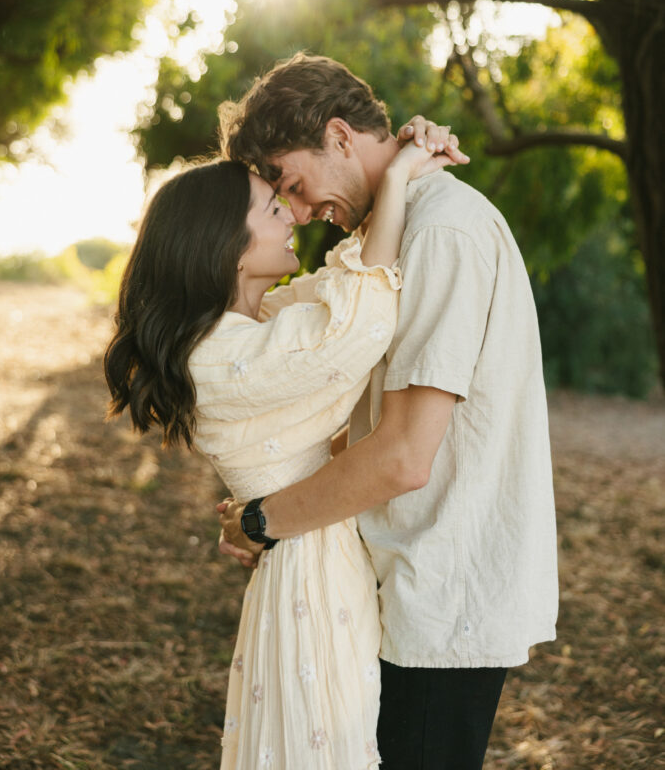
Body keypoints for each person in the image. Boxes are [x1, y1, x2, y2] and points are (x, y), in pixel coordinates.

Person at [217, 52, 559, 770]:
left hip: (442, 591)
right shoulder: (388, 234)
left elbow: (404, 454)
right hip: (404, 582)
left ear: (339, 137)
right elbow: (364, 417)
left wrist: (265, 520)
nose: (302, 214)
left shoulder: (441, 231)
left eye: (295, 185)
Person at [103, 134, 456, 770]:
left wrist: (384, 175)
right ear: (227, 249)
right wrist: (400, 173)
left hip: (312, 551)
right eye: (272, 208)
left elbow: (338, 290)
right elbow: (352, 328)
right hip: (310, 573)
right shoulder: (218, 353)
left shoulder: (256, 324)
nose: (293, 214)